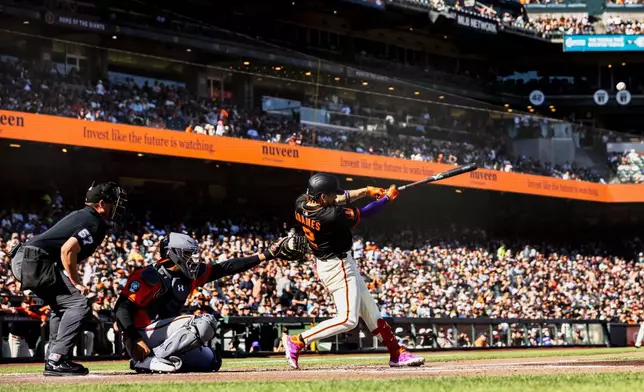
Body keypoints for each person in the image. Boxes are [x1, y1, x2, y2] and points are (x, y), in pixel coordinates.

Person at [283, 173, 424, 369]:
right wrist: (386, 199)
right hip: (337, 266)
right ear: (323, 197)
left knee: (372, 313)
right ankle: (298, 340)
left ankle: (396, 353)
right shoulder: (331, 217)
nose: (335, 197)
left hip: (332, 262)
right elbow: (365, 213)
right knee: (348, 319)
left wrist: (367, 190)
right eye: (331, 195)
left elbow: (341, 197)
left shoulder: (301, 202)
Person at [113, 232, 306, 373]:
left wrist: (266, 254)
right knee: (205, 322)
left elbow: (225, 268)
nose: (192, 259)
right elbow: (121, 307)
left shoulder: (190, 275)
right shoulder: (149, 276)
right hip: (141, 336)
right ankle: (146, 360)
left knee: (211, 361)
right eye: (188, 255)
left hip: (166, 337)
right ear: (174, 254)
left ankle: (157, 361)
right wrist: (133, 337)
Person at [9, 182, 127, 376]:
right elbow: (67, 250)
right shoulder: (93, 221)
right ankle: (57, 358)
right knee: (79, 304)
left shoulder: (83, 215)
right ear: (102, 203)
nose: (116, 207)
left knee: (61, 306)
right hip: (35, 260)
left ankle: (53, 359)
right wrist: (76, 281)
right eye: (113, 202)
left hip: (27, 258)